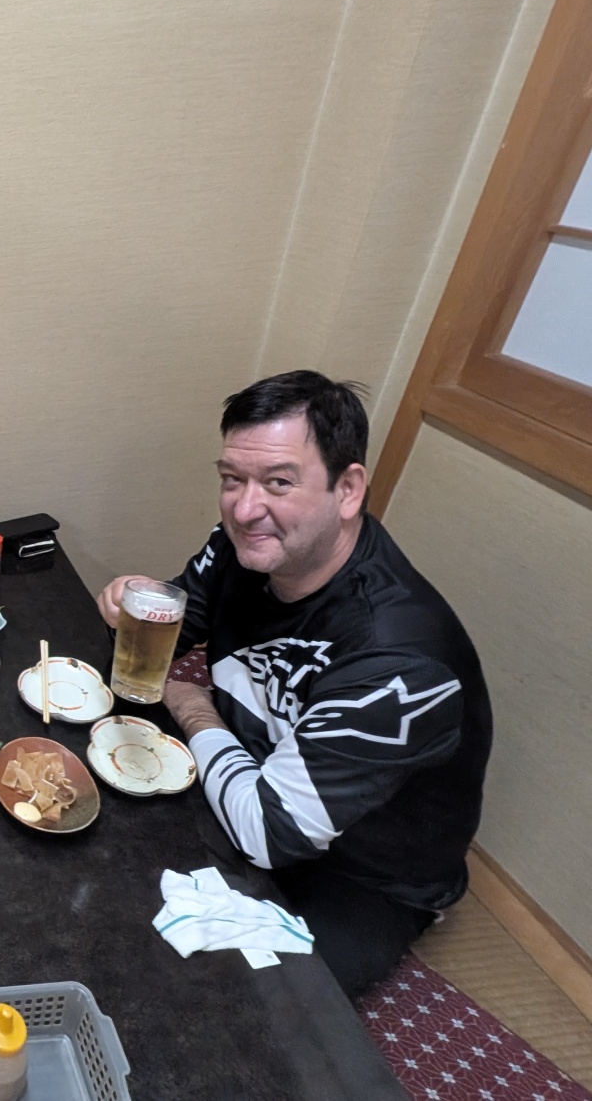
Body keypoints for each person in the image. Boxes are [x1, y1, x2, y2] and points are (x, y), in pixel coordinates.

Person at [96, 370, 491, 997]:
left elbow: (269, 831)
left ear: (347, 489)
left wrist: (196, 712)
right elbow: (178, 624)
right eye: (232, 479)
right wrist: (129, 603)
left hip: (358, 871)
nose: (244, 509)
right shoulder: (245, 548)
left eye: (279, 482)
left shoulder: (398, 659)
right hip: (255, 768)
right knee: (102, 861)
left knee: (223, 1000)